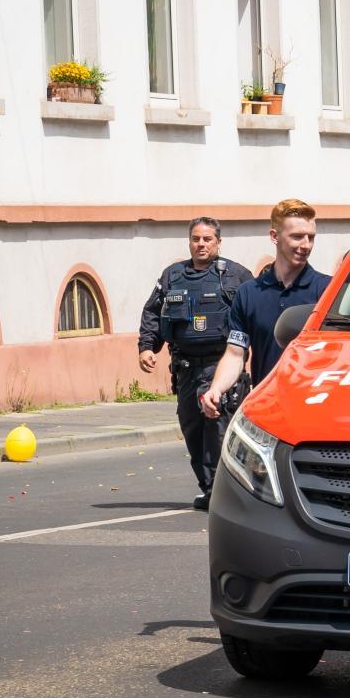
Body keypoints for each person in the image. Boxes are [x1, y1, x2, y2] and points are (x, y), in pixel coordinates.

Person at [138, 217, 253, 509]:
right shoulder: (172, 276)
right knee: (192, 429)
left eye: (207, 239)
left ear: (218, 242)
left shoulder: (236, 276)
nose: (201, 244)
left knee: (218, 428)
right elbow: (153, 311)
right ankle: (209, 489)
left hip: (221, 366)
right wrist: (147, 347)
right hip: (185, 367)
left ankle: (225, 491)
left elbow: (255, 313)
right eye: (196, 239)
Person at [202, 199, 332, 419]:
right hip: (268, 409)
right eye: (297, 236)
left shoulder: (328, 291)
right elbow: (235, 353)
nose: (306, 245)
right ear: (274, 236)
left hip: (316, 408)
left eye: (311, 237)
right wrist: (216, 388)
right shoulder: (248, 293)